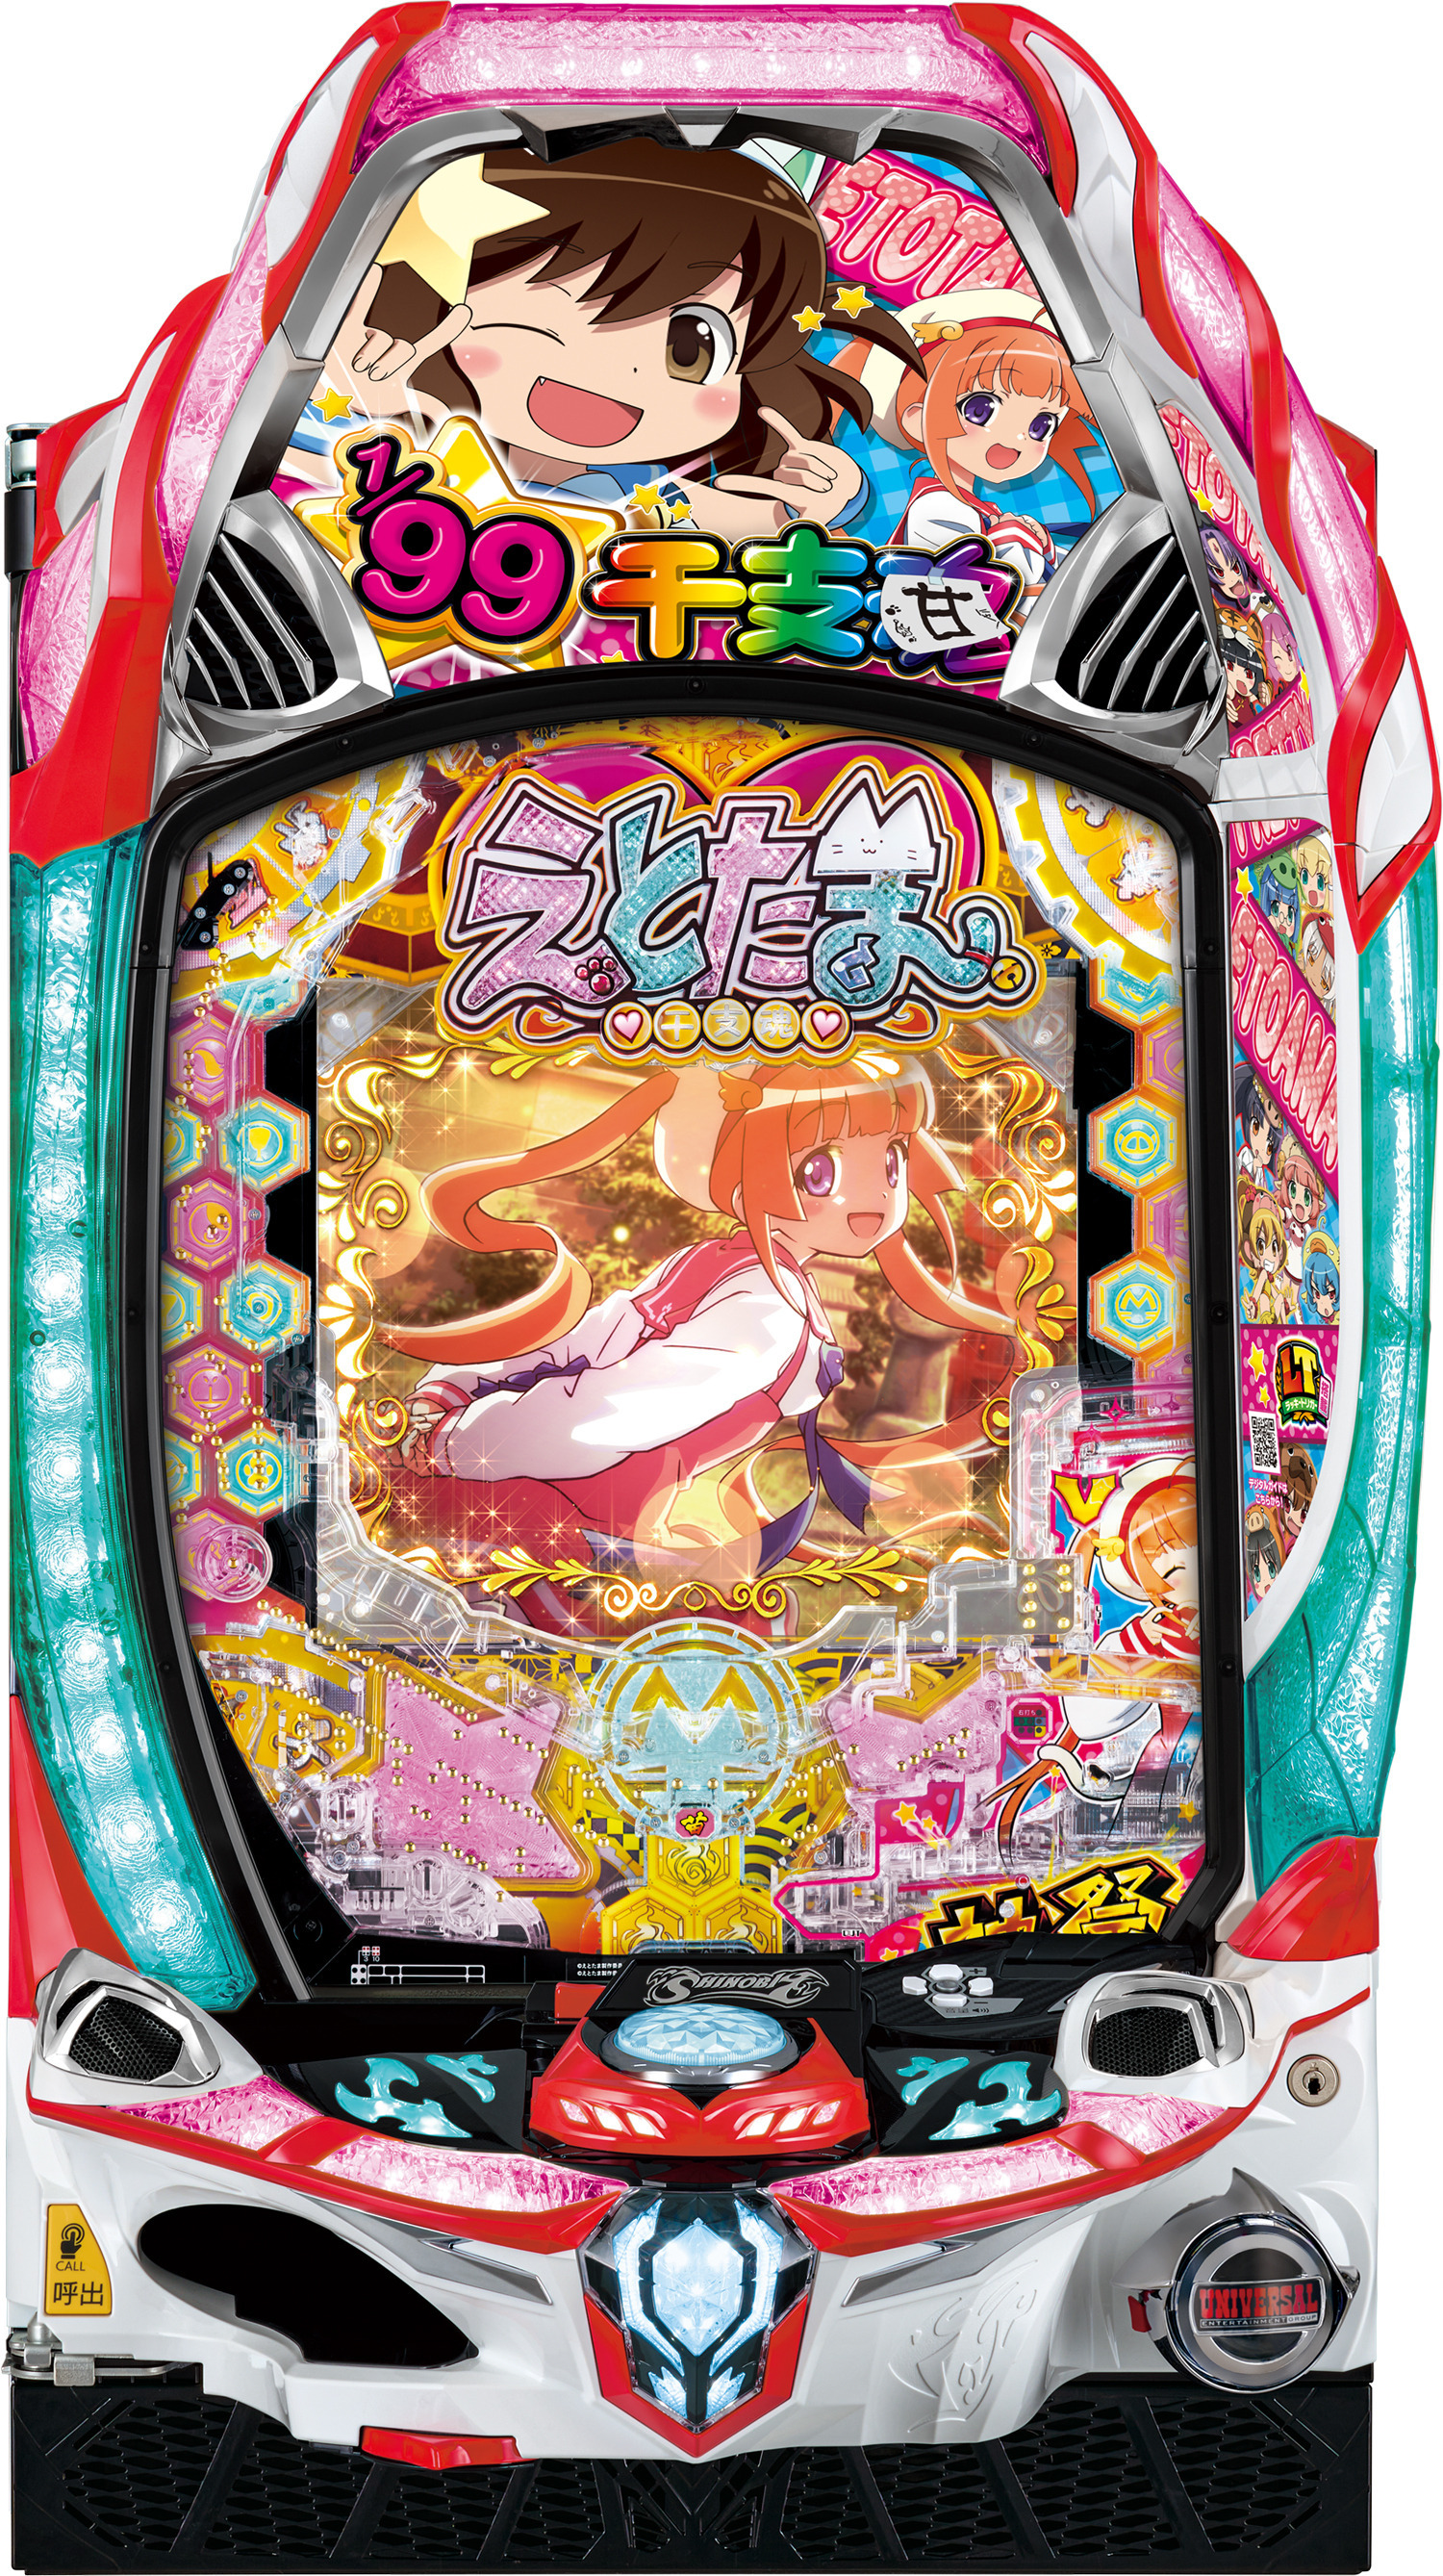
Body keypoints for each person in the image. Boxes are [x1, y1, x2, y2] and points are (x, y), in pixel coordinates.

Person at [383, 1057, 1021, 1617]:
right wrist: (454, 1402)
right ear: (742, 1168)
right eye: (820, 1172)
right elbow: (592, 1359)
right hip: (545, 1500)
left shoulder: (766, 1303)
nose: (871, 1199)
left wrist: (456, 1429)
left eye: (890, 1162)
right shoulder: (734, 1279)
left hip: (574, 1517)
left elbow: (606, 1402)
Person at [291, 138, 924, 542]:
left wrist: (815, 504)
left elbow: (748, 520)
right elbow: (316, 492)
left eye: (690, 349)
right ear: (455, 298)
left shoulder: (642, 493)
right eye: (553, 303)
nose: (619, 372)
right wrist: (362, 403)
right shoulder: (420, 437)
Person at [840, 289, 1101, 613]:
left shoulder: (972, 506)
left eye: (1040, 425)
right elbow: (979, 593)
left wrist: (1040, 542)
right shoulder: (937, 508)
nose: (1015, 439)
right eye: (981, 409)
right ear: (917, 418)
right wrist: (1016, 539)